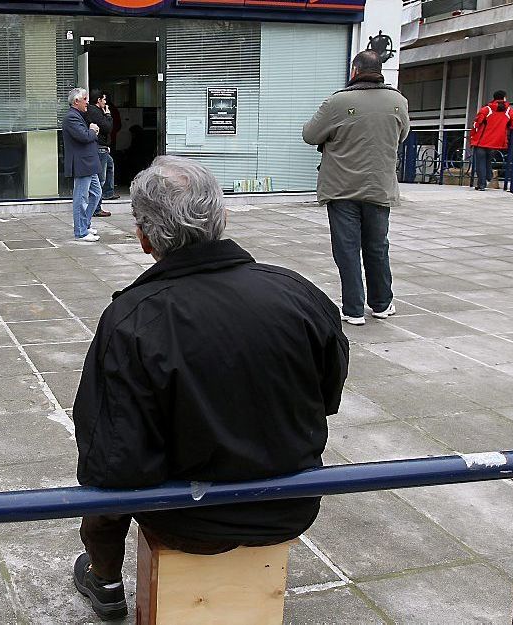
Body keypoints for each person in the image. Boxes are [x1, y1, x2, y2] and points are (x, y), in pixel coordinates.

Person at [71, 156, 348, 621]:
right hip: (290, 500)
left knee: (106, 480)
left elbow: (114, 459)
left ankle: (105, 577)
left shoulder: (134, 319)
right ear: (221, 218)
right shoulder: (298, 293)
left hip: (187, 517)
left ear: (144, 237)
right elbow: (328, 391)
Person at [302, 50, 410, 326]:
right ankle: (382, 304)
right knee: (377, 247)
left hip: (342, 187)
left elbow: (310, 134)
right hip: (379, 187)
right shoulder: (398, 101)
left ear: (354, 71)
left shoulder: (339, 101)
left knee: (347, 249)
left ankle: (352, 309)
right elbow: (403, 134)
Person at [63, 87, 102, 242]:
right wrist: (93, 130)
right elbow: (85, 137)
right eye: (84, 99)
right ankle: (80, 231)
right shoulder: (71, 117)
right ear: (76, 101)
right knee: (81, 198)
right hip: (82, 163)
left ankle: (85, 224)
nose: (87, 102)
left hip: (88, 163)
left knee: (96, 194)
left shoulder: (78, 115)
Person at [470, 90, 513, 191]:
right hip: (496, 143)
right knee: (488, 160)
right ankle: (488, 176)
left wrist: (473, 137)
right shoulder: (509, 111)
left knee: (480, 162)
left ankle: (482, 184)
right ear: (504, 98)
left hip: (481, 141)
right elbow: (512, 126)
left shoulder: (486, 110)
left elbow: (476, 124)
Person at [86, 91, 116, 216]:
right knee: (100, 178)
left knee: (110, 165)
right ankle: (97, 208)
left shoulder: (96, 111)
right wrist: (108, 115)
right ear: (98, 100)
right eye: (104, 100)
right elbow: (107, 128)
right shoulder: (95, 111)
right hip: (99, 147)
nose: (105, 102)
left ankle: (108, 193)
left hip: (102, 147)